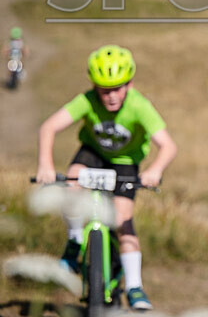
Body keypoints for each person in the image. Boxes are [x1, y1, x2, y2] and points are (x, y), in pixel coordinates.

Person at [35, 45, 177, 311]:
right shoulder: (86, 100)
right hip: (92, 154)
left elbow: (168, 146)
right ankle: (75, 241)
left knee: (123, 221)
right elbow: (49, 127)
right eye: (104, 90)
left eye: (117, 88)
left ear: (129, 84)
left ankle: (134, 286)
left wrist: (155, 170)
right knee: (72, 183)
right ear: (94, 86)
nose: (111, 96)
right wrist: (45, 164)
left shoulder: (139, 106)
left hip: (125, 163)